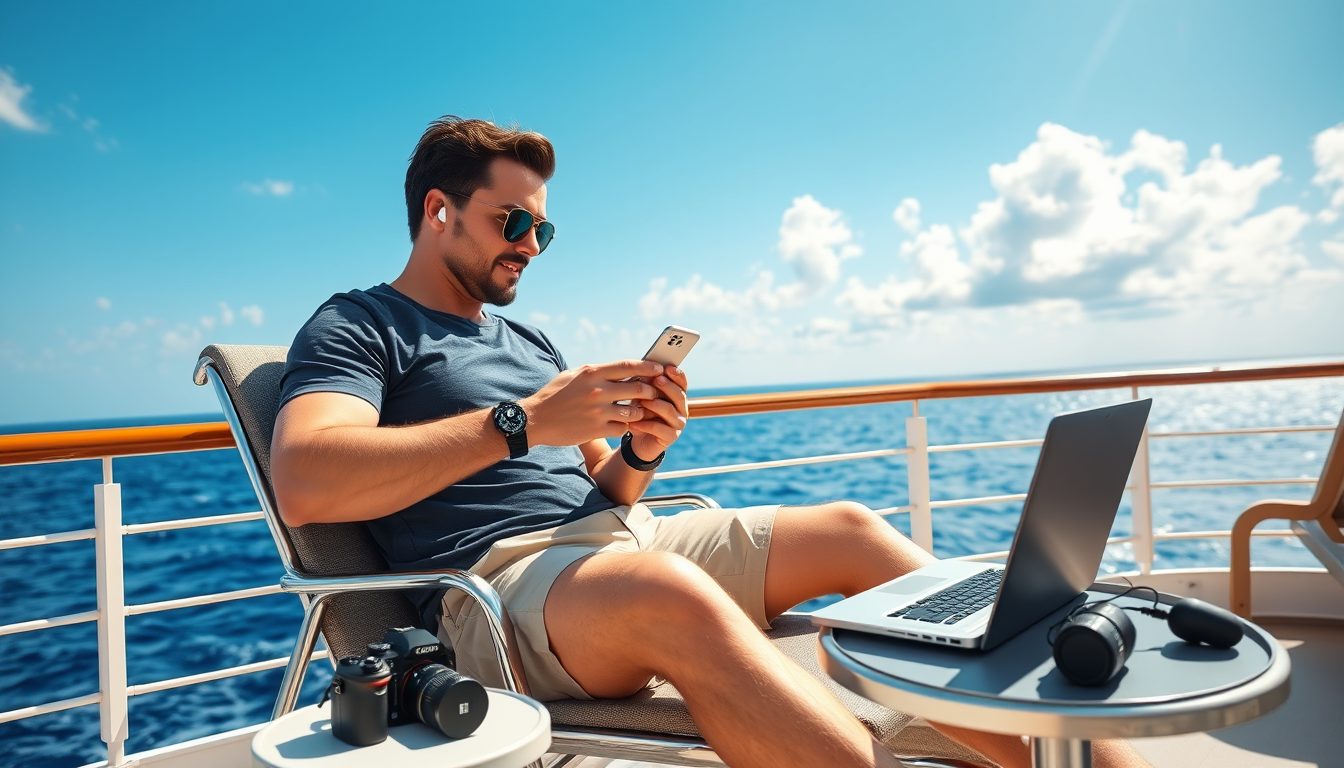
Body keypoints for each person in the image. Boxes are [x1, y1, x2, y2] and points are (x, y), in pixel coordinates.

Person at [270, 116, 1149, 768]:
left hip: (613, 545)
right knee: (668, 591)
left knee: (851, 530)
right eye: (514, 223)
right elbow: (307, 481)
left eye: (544, 229)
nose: (532, 246)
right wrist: (524, 423)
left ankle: (1078, 759)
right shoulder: (361, 325)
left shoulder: (528, 343)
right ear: (439, 211)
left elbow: (602, 497)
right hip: (492, 597)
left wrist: (641, 453)